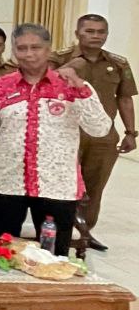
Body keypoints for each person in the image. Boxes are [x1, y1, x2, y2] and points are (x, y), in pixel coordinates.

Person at [0, 23, 111, 310]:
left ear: (48, 51)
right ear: (14, 51)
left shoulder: (73, 85)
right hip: (9, 182)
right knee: (0, 245)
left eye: (36, 48)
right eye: (22, 48)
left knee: (55, 252)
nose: (29, 54)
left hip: (56, 185)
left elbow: (101, 129)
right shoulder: (1, 87)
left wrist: (82, 92)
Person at [50, 14, 137, 250]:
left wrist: (130, 132)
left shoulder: (118, 63)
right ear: (78, 33)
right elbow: (47, 86)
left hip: (103, 136)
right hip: (66, 133)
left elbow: (125, 98)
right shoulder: (58, 58)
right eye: (90, 31)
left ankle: (84, 233)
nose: (96, 36)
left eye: (101, 32)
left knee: (95, 186)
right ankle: (58, 232)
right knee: (63, 184)